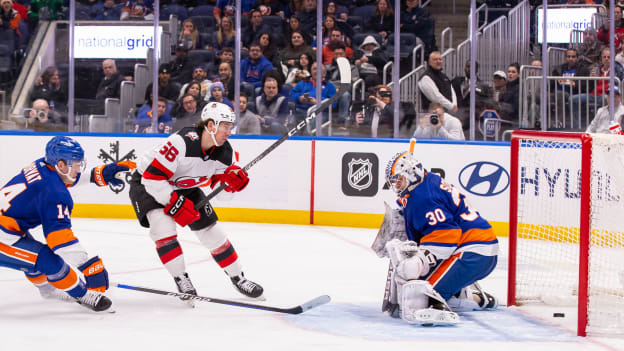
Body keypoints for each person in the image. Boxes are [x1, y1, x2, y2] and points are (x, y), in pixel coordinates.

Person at [127, 102, 264, 305]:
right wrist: (175, 203)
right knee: (163, 230)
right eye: (225, 126)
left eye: (230, 126)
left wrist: (230, 185)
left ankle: (238, 278)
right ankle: (181, 279)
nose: (229, 131)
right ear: (210, 125)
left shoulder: (224, 152)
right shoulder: (181, 142)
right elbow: (152, 178)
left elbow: (223, 196)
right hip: (148, 184)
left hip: (185, 187)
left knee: (212, 232)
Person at [0, 136, 134, 312]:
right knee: (48, 261)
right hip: (4, 237)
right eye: (76, 164)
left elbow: (60, 180)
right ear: (61, 165)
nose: (78, 169)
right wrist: (87, 266)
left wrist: (96, 175)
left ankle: (47, 290)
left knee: (32, 255)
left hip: (9, 228)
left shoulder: (42, 164)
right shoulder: (54, 193)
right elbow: (59, 239)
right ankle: (83, 295)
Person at [380, 148, 498, 325]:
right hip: (478, 250)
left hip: (472, 252)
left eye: (399, 180)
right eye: (395, 182)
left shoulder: (423, 197)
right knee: (423, 287)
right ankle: (476, 298)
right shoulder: (425, 183)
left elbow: (447, 236)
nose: (397, 186)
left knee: (422, 296)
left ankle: (444, 303)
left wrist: (420, 260)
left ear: (412, 174)